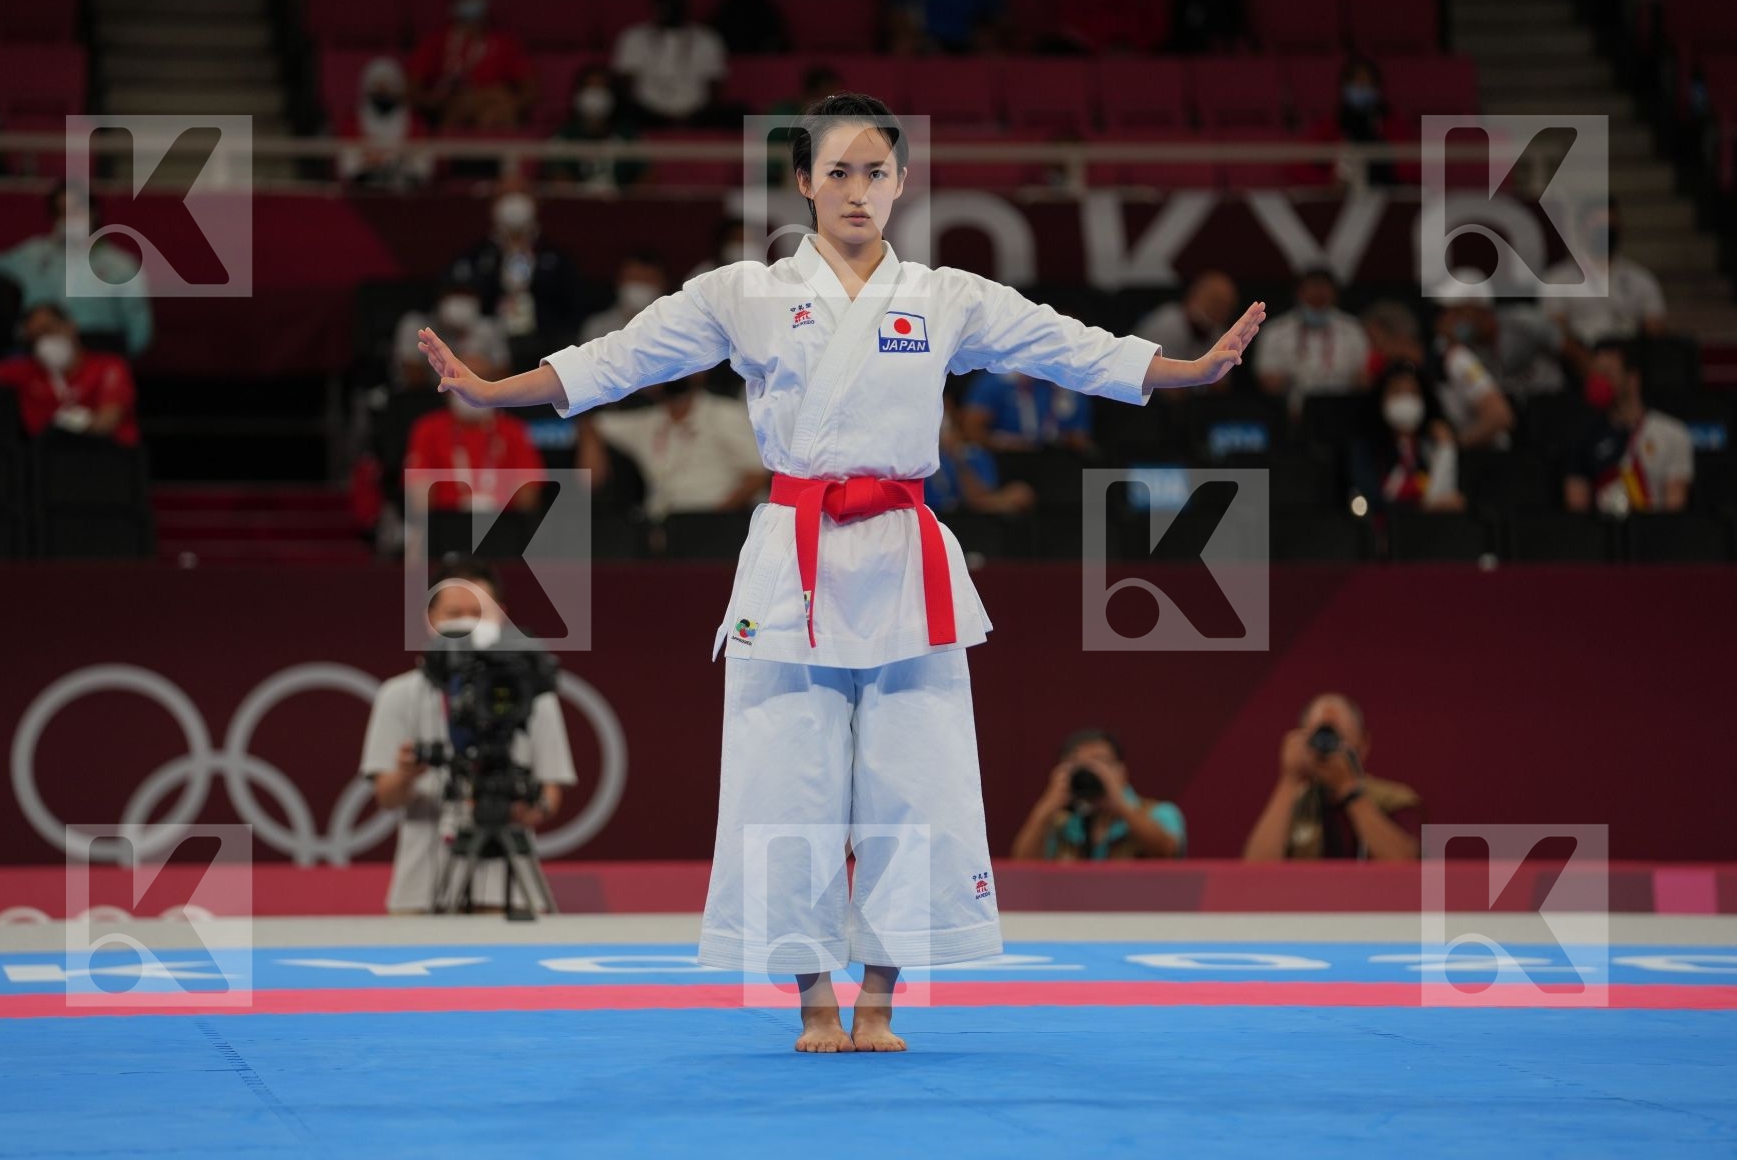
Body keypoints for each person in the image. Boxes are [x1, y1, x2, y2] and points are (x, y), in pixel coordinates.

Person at [417, 92, 1264, 1053]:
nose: (857, 191)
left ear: (902, 183)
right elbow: (618, 361)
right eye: (838, 172)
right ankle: (816, 995)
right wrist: (492, 391)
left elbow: (1067, 345)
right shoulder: (743, 293)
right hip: (795, 547)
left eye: (875, 173)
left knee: (917, 776)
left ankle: (882, 1001)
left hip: (904, 550)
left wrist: (1186, 370)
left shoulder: (946, 298)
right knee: (787, 778)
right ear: (803, 183)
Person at [360, 557, 576, 913]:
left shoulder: (533, 695)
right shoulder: (397, 695)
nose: (465, 623)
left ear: (501, 617)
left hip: (509, 892)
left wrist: (525, 807)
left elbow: (550, 796)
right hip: (421, 891)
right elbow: (387, 797)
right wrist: (407, 774)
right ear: (431, 618)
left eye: (478, 611)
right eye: (453, 612)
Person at [0, 183, 153, 358]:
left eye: (77, 210)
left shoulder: (121, 265)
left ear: (94, 213)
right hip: (36, 344)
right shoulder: (32, 255)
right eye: (63, 212)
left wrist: (120, 363)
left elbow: (138, 326)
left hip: (95, 347)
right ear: (54, 219)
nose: (71, 218)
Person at [1242, 693, 1422, 861]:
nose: (1326, 745)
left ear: (1363, 743)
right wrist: (1289, 780)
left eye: (1336, 736)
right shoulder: (1296, 803)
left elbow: (1407, 868)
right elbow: (1255, 870)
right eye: (1318, 735)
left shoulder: (1395, 800)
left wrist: (1350, 791)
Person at [575, 374, 768, 518]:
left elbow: (757, 475)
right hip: (661, 524)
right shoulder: (646, 422)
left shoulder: (726, 414)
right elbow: (591, 424)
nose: (672, 377)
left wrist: (717, 516)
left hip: (717, 521)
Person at [446, 186, 583, 364]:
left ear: (535, 204)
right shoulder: (476, 256)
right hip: (492, 337)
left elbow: (572, 304)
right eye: (506, 194)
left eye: (521, 192)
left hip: (545, 339)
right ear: (493, 205)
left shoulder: (556, 256)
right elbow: (465, 295)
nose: (514, 203)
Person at [1009, 728, 1186, 861]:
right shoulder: (1062, 823)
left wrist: (1121, 805)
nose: (1091, 772)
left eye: (1100, 762)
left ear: (1121, 771)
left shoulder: (1159, 813)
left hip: (1139, 907)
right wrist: (1047, 806)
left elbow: (1168, 851)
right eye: (1079, 765)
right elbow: (1022, 866)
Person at [402, 349, 542, 515]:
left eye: (481, 378)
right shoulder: (428, 429)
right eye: (461, 378)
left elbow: (529, 495)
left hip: (503, 526)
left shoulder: (514, 430)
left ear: (495, 383)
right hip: (446, 526)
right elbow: (419, 499)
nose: (471, 386)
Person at [1363, 299, 1514, 449]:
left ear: (1399, 340)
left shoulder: (1455, 360)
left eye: (1377, 343)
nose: (1376, 353)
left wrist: (1453, 446)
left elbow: (1500, 416)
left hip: (1487, 456)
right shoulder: (1409, 375)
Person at [1565, 339, 1693, 516]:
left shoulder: (1672, 433)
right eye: (1596, 376)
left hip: (1655, 534)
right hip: (1603, 534)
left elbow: (1674, 508)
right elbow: (1577, 508)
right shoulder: (1584, 435)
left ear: (1633, 378)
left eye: (1608, 374)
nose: (1600, 383)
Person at [0, 304, 140, 447]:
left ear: (71, 326)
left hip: (109, 459)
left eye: (48, 330)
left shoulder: (109, 366)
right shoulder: (26, 371)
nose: (44, 342)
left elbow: (107, 422)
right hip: (50, 463)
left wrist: (70, 422)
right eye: (36, 338)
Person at [1542, 198, 1667, 376]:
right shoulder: (1557, 279)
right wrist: (1588, 363)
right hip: (1580, 363)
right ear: (1582, 229)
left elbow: (1656, 329)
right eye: (1599, 227)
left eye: (1610, 226)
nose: (1606, 233)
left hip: (1630, 362)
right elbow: (1555, 332)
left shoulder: (1641, 279)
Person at [405, 0, 536, 132]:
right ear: (453, 3)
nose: (469, 1)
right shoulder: (435, 42)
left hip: (496, 110)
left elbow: (531, 92)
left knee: (498, 102)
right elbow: (411, 90)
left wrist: (502, 102)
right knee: (474, 102)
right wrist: (434, 100)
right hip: (450, 107)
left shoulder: (506, 43)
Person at [1429, 268, 1566, 403]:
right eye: (1447, 313)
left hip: (1553, 402)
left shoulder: (1523, 323)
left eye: (1458, 312)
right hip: (1514, 410)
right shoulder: (1459, 346)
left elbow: (1569, 349)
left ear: (1480, 309)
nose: (1451, 321)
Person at [1347, 361, 1463, 511]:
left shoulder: (1430, 447)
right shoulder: (1365, 448)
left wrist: (1446, 448)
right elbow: (1369, 501)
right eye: (1397, 392)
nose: (1405, 400)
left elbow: (1446, 497)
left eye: (1413, 392)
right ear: (1382, 399)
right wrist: (1421, 507)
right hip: (1383, 530)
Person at [610, 0, 729, 127]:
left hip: (697, 112)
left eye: (674, 0)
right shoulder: (633, 37)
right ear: (654, 4)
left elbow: (715, 85)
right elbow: (625, 85)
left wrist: (694, 114)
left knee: (743, 116)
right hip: (645, 112)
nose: (669, 7)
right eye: (664, 0)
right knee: (619, 113)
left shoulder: (707, 38)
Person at [1252, 267, 1369, 412]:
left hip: (1344, 409)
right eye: (1313, 299)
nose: (1317, 299)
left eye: (1322, 299)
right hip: (1293, 410)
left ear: (1334, 296)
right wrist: (1296, 376)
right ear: (1299, 294)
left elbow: (1365, 379)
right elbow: (1266, 382)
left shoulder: (1353, 329)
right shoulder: (1275, 331)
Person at [1300, 56, 1417, 186]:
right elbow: (1299, 165)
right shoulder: (1328, 126)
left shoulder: (1394, 125)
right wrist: (1327, 182)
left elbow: (1410, 168)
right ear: (1344, 86)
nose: (1363, 89)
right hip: (1342, 199)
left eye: (1369, 84)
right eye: (1358, 84)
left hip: (1385, 195)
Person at [544, 64, 647, 192]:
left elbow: (647, 178)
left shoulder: (628, 136)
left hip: (621, 208)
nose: (595, 95)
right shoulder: (564, 137)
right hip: (578, 209)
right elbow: (559, 181)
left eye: (601, 89)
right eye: (589, 88)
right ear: (578, 94)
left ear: (612, 94)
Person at [390, 282, 508, 393]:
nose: (460, 302)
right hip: (429, 399)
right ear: (440, 299)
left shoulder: (488, 328)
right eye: (455, 294)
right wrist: (457, 368)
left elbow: (504, 377)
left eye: (466, 295)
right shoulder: (416, 325)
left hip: (478, 400)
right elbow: (413, 379)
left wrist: (484, 371)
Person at [336, 56, 433, 190]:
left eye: (388, 87)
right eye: (377, 88)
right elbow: (349, 167)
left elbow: (423, 168)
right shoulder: (352, 122)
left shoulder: (415, 122)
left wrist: (389, 164)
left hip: (405, 193)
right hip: (364, 193)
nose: (382, 93)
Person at [1135, 270, 1240, 390]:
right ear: (1194, 296)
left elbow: (1220, 387)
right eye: (1215, 301)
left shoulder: (1218, 333)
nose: (1221, 310)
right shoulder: (1168, 325)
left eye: (1227, 306)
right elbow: (1166, 387)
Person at [960, 371, 1094, 453]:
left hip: (1053, 458)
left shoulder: (1070, 387)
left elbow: (1080, 439)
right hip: (1003, 456)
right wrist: (1002, 443)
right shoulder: (997, 381)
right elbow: (971, 430)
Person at [577, 254, 667, 344]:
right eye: (633, 278)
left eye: (648, 279)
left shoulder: (672, 327)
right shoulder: (597, 327)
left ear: (663, 284)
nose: (639, 284)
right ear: (619, 282)